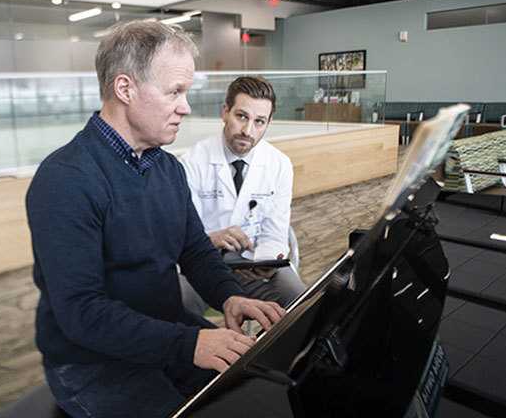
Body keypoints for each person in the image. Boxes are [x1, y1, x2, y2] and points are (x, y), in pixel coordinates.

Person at [25, 21, 285, 418]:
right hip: (93, 363)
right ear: (125, 89)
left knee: (261, 393)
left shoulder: (166, 168)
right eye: (175, 92)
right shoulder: (65, 179)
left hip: (163, 332)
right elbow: (82, 313)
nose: (185, 106)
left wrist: (229, 295)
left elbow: (195, 251)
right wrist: (190, 344)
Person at [179, 76, 306, 316]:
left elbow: (275, 232)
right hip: (202, 264)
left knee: (301, 300)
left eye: (259, 122)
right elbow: (183, 235)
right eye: (241, 117)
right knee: (179, 302)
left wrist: (265, 261)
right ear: (225, 112)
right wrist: (212, 239)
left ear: (269, 123)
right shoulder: (192, 161)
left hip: (254, 268)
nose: (248, 131)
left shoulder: (279, 164)